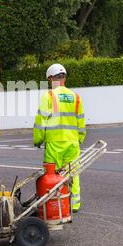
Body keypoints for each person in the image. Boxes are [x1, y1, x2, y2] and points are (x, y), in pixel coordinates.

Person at [33, 63, 86, 212]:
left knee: (52, 175)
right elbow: (80, 122)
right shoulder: (76, 97)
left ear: (51, 79)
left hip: (54, 144)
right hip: (72, 143)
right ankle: (74, 205)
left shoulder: (49, 96)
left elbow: (40, 121)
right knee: (73, 173)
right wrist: (79, 138)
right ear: (64, 78)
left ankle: (55, 205)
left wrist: (38, 140)